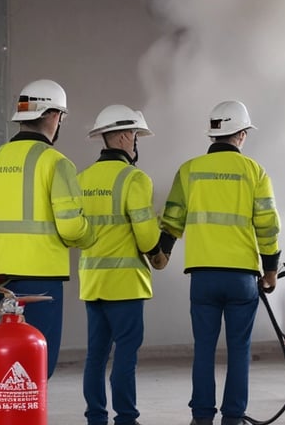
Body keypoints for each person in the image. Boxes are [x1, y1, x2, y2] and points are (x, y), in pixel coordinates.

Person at [0, 79, 95, 379]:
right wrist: (91, 235)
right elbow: (72, 227)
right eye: (61, 116)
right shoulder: (56, 163)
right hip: (41, 282)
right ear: (52, 115)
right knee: (35, 366)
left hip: (1, 279)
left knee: (10, 364)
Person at [160, 100, 281, 425]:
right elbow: (268, 225)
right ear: (241, 134)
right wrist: (270, 271)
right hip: (242, 277)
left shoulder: (189, 170)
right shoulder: (255, 172)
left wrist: (163, 251)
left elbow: (171, 219)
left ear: (213, 134)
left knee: (204, 349)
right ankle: (233, 417)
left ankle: (201, 417)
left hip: (203, 276)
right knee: (239, 350)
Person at [77, 104, 174, 425]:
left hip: (93, 283)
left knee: (95, 357)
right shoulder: (134, 179)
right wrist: (158, 251)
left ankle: (95, 418)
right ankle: (126, 419)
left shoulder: (83, 179)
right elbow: (146, 237)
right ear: (121, 137)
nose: (136, 142)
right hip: (126, 286)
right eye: (134, 135)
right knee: (125, 357)